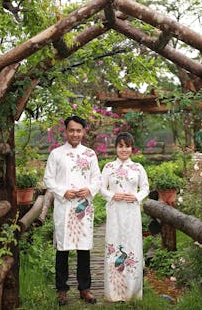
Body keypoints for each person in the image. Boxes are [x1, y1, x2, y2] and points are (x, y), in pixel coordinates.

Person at [43, 115, 101, 306]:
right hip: (64, 207)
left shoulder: (90, 154)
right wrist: (63, 191)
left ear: (83, 131)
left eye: (78, 130)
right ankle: (62, 290)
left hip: (83, 208)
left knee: (84, 248)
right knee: (63, 249)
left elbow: (97, 179)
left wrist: (90, 189)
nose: (75, 134)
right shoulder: (56, 154)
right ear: (66, 131)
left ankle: (85, 288)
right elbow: (48, 179)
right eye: (71, 130)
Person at [100, 132, 149, 302]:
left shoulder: (138, 168)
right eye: (120, 146)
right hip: (114, 213)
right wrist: (113, 196)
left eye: (127, 146)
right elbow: (101, 188)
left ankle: (132, 292)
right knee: (114, 245)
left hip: (132, 213)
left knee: (132, 246)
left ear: (131, 148)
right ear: (116, 148)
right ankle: (115, 292)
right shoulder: (108, 167)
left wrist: (136, 197)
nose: (124, 149)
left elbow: (145, 188)